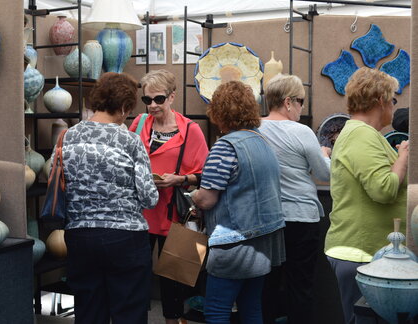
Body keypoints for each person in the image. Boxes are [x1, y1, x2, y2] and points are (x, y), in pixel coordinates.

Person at [62, 72, 159, 324]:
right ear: (125, 107)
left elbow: (58, 180)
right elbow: (149, 198)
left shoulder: (68, 136)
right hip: (125, 237)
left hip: (80, 235)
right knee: (129, 313)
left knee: (88, 312)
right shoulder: (130, 141)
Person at [191, 81, 286, 324]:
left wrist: (193, 195)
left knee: (216, 310)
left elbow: (208, 199)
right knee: (251, 307)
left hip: (234, 242)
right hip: (265, 240)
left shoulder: (225, 146)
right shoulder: (262, 141)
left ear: (219, 112)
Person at [324, 67, 408, 324]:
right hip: (360, 253)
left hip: (364, 253)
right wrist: (403, 157)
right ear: (381, 100)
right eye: (393, 99)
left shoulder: (361, 134)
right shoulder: (361, 134)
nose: (393, 107)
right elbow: (383, 189)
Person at [129, 69, 209, 324]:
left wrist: (180, 179)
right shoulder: (139, 124)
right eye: (147, 100)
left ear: (172, 97)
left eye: (159, 99)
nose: (152, 105)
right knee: (135, 276)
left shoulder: (191, 130)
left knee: (176, 284)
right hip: (140, 214)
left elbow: (206, 175)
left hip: (179, 215)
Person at [259, 74, 331, 324]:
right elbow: (324, 174)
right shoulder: (302, 132)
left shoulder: (254, 129)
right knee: (300, 287)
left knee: (267, 285)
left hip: (267, 219)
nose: (302, 107)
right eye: (301, 101)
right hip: (301, 217)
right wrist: (324, 155)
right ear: (288, 102)